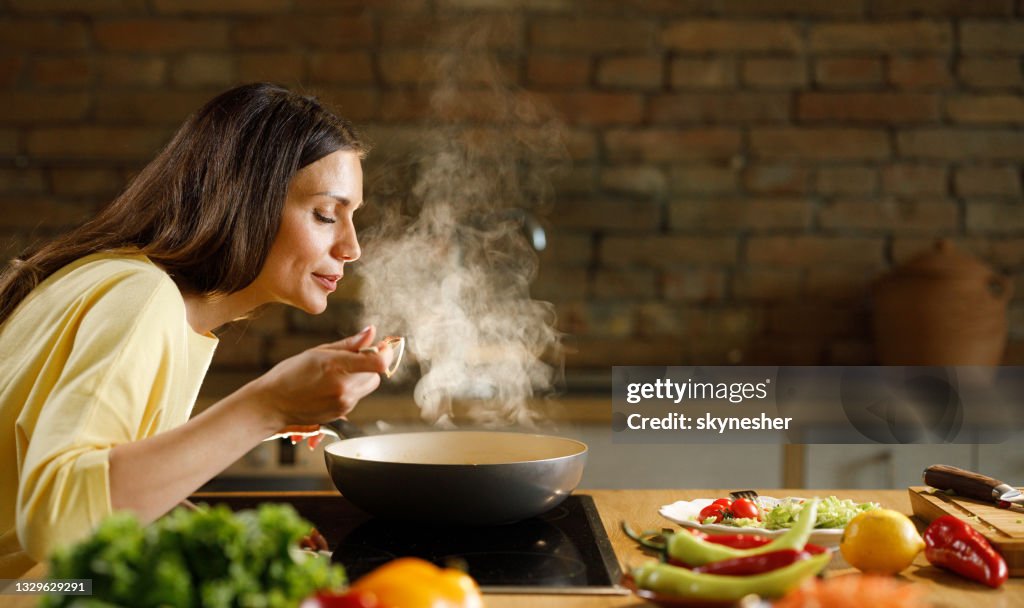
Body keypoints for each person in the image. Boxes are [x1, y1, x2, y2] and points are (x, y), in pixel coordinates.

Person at [0, 83, 394, 579]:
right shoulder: (140, 297)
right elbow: (56, 527)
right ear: (246, 200)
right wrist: (268, 406)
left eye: (351, 218)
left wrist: (220, 536)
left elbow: (98, 503)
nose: (352, 247)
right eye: (325, 215)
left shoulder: (133, 286)